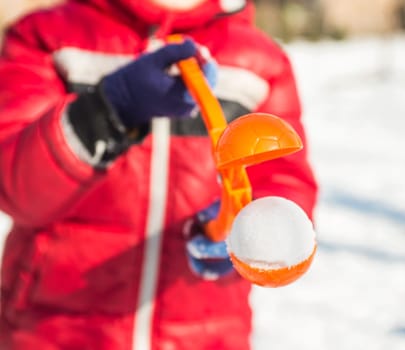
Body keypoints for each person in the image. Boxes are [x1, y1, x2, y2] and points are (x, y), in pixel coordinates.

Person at [0, 0, 318, 349]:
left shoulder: (259, 62)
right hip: (55, 329)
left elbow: (285, 181)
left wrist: (241, 229)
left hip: (205, 333)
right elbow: (15, 186)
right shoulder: (48, 37)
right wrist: (109, 109)